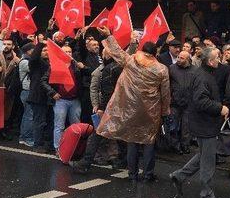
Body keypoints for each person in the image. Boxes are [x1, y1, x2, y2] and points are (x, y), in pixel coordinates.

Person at [96, 26, 171, 184]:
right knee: (149, 142)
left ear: (142, 50)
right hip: (151, 111)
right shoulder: (162, 69)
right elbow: (165, 93)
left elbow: (116, 52)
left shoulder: (131, 61)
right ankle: (148, 174)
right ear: (155, 53)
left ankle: (132, 174)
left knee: (132, 141)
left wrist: (109, 35)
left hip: (130, 108)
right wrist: (165, 111)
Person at [169, 47, 230, 198]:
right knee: (208, 160)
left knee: (204, 154)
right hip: (205, 124)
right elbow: (201, 101)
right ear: (210, 61)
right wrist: (220, 108)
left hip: (203, 122)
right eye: (217, 57)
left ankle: (179, 176)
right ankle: (206, 194)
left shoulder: (202, 73)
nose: (220, 59)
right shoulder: (203, 77)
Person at [71, 46, 128, 174]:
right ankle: (123, 161)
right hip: (124, 106)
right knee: (121, 135)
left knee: (97, 134)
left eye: (104, 53)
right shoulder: (125, 68)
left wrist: (101, 108)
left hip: (111, 107)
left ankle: (85, 163)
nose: (103, 55)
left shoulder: (109, 69)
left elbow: (108, 92)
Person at [42, 45, 82, 152]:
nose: (68, 53)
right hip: (61, 100)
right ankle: (58, 148)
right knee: (59, 126)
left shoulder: (76, 66)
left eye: (70, 51)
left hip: (75, 100)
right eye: (65, 52)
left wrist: (83, 67)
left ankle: (75, 148)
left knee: (76, 126)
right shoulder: (54, 66)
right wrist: (52, 93)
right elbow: (44, 81)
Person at [26, 39, 52, 153]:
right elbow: (34, 57)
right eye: (44, 50)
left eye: (48, 50)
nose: (46, 52)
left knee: (50, 122)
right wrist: (41, 44)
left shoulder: (51, 63)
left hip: (50, 97)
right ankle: (37, 145)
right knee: (39, 122)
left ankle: (49, 144)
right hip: (38, 97)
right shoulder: (36, 63)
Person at [168, 50, 195, 154]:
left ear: (188, 60)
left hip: (188, 103)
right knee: (173, 126)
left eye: (182, 58)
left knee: (186, 127)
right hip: (175, 102)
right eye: (178, 57)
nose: (178, 59)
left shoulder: (195, 70)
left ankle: (185, 145)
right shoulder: (171, 68)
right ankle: (175, 145)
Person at [17, 43, 36, 147]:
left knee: (27, 116)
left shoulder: (27, 60)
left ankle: (23, 136)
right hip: (27, 92)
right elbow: (35, 68)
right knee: (29, 116)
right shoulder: (25, 62)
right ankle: (27, 137)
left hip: (28, 92)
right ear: (28, 51)